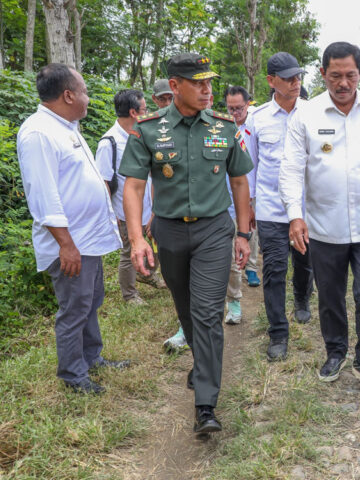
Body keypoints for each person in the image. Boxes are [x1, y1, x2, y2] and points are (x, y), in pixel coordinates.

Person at [120, 53, 254, 434]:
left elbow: (240, 181)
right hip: (170, 232)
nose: (207, 89)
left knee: (208, 313)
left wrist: (243, 233)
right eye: (197, 82)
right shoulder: (148, 129)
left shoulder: (225, 127)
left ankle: (206, 404)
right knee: (186, 308)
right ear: (174, 86)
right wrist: (136, 239)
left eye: (209, 81)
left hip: (214, 230)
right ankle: (203, 364)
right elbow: (133, 185)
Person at [280, 41, 360, 395]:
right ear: (323, 74)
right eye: (335, 76)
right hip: (323, 227)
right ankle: (335, 351)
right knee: (331, 295)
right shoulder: (305, 114)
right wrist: (295, 216)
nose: (342, 83)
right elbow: (291, 169)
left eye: (350, 75)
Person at [17, 63, 128, 395]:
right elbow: (44, 195)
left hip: (87, 240)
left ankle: (91, 357)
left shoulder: (66, 126)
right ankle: (73, 375)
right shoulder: (39, 132)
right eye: (84, 91)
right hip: (71, 244)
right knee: (75, 308)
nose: (88, 98)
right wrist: (66, 245)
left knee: (91, 301)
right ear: (68, 95)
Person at [245, 52, 314, 361]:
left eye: (298, 76)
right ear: (271, 81)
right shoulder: (256, 118)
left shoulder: (313, 114)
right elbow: (250, 168)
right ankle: (278, 333)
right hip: (272, 209)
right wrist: (247, 210)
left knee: (305, 263)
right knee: (273, 271)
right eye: (288, 78)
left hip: (307, 209)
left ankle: (302, 298)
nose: (295, 82)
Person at [96, 89, 166, 306]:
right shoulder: (109, 143)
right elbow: (103, 184)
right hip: (124, 211)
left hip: (149, 206)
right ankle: (130, 294)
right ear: (134, 112)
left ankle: (148, 274)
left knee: (155, 242)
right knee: (129, 252)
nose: (149, 113)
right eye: (145, 109)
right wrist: (111, 215)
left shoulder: (143, 135)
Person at [225, 85, 262, 289]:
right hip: (230, 186)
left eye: (239, 108)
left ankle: (252, 268)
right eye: (231, 108)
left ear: (248, 104)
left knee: (251, 230)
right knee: (233, 229)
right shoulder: (223, 126)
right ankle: (235, 269)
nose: (235, 113)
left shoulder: (256, 125)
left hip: (253, 185)